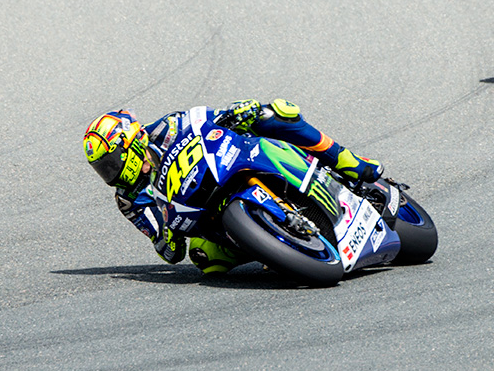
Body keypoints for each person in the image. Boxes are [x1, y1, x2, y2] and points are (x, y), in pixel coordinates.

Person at [83, 99, 383, 275]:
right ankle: (277, 247)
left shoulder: (166, 128)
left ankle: (347, 161)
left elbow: (210, 119)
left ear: (129, 144)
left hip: (228, 162)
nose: (108, 173)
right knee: (204, 259)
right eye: (101, 169)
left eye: (110, 162)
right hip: (205, 214)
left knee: (274, 113)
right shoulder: (128, 199)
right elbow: (166, 251)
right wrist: (167, 233)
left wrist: (238, 110)